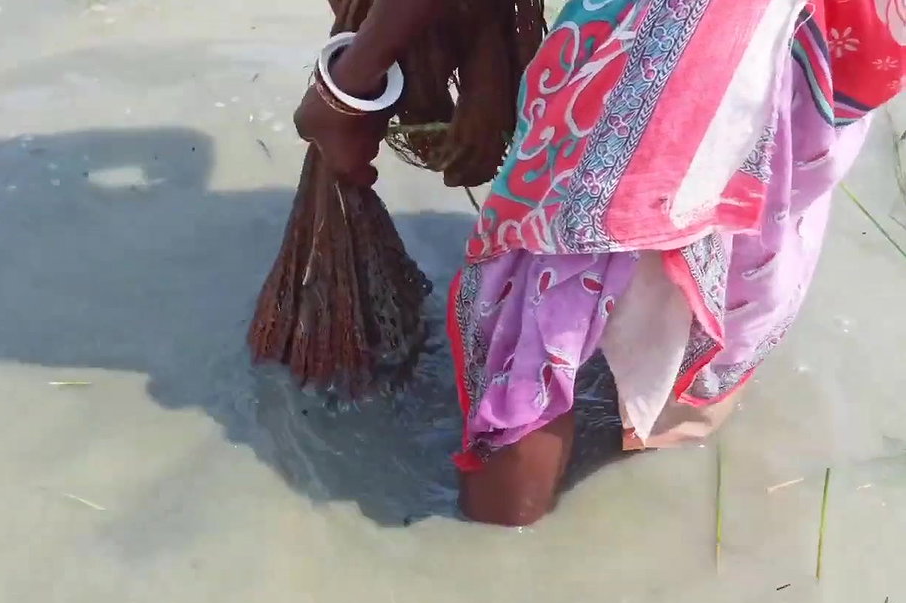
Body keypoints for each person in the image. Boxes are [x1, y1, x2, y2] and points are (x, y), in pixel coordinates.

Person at [294, 0, 906, 526]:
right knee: (722, 239)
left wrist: (349, 82)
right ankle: (650, 504)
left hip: (682, 40)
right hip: (839, 40)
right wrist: (485, 69)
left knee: (546, 302)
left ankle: (489, 568)